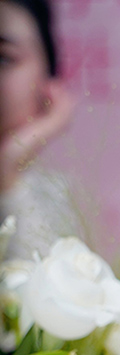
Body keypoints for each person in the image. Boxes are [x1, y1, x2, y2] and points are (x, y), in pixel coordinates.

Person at [0, 0, 81, 259]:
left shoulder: (51, 192)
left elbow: (40, 279)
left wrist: (9, 168)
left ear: (49, 74)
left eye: (3, 58)